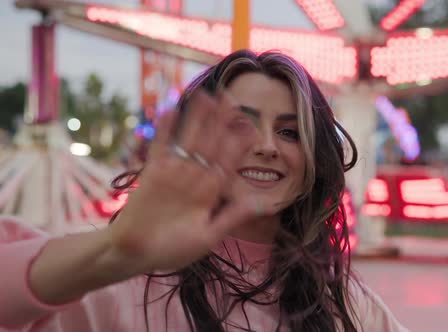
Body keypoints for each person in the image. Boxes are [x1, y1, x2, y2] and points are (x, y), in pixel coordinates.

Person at [0, 50, 408, 332]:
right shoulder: (121, 280)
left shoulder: (346, 305)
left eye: (289, 132)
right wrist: (114, 252)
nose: (266, 146)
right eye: (239, 125)